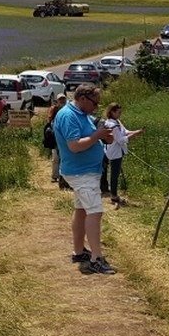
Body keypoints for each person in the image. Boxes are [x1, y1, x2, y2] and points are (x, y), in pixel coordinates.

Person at [52, 84, 116, 275]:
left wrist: (104, 136)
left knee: (81, 210)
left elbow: (90, 136)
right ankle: (96, 259)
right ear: (82, 99)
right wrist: (97, 135)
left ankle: (79, 252)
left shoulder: (81, 114)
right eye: (94, 103)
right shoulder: (68, 116)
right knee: (95, 212)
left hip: (87, 172)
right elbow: (74, 146)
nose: (96, 108)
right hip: (81, 173)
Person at [100, 103, 143, 206]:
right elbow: (120, 139)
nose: (120, 114)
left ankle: (108, 191)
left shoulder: (116, 121)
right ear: (112, 112)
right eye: (118, 112)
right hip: (114, 151)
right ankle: (114, 196)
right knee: (114, 174)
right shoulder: (112, 125)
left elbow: (124, 131)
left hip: (113, 150)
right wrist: (134, 135)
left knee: (112, 172)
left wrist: (135, 131)